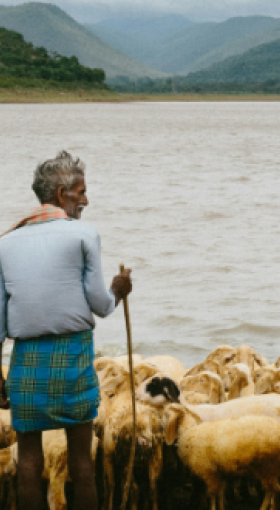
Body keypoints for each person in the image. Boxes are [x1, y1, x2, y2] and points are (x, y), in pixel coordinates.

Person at [0, 151, 132, 510]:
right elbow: (101, 306)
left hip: (25, 361)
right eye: (80, 192)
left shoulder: (5, 242)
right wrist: (118, 291)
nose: (85, 200)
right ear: (61, 194)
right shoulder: (83, 235)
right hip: (73, 358)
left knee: (28, 459)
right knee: (81, 462)